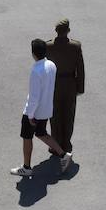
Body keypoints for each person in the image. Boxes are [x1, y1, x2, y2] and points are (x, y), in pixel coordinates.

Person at [11, 38, 71, 177]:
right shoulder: (52, 65)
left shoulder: (36, 71)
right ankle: (63, 154)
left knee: (27, 137)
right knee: (41, 133)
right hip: (46, 109)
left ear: (33, 53)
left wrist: (30, 115)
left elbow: (34, 97)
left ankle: (26, 167)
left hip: (34, 112)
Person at [46, 18, 85, 156]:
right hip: (69, 85)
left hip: (54, 84)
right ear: (68, 31)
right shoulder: (75, 46)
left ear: (56, 31)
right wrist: (80, 88)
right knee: (69, 115)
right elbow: (80, 68)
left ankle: (56, 144)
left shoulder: (48, 46)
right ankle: (66, 143)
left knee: (55, 115)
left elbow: (45, 68)